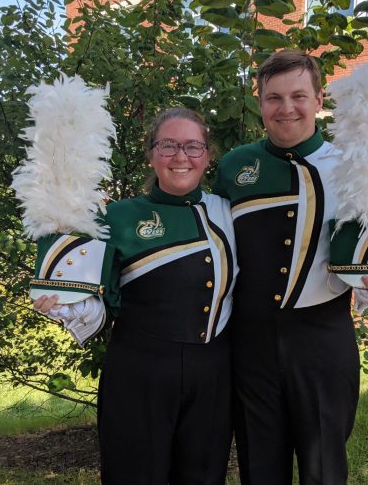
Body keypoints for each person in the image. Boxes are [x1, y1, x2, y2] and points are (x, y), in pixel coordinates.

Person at [213, 50, 368, 485]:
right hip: (250, 340)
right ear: (260, 103)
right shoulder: (235, 165)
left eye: (298, 95)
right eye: (273, 97)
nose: (286, 108)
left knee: (322, 466)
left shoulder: (357, 168)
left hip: (321, 339)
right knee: (259, 465)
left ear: (318, 99)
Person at [34, 108, 238, 485]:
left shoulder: (228, 213)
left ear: (208, 156)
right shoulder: (117, 217)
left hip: (214, 374)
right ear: (151, 153)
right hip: (138, 372)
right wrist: (64, 305)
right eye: (168, 145)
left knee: (205, 476)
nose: (181, 157)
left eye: (193, 146)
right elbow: (102, 307)